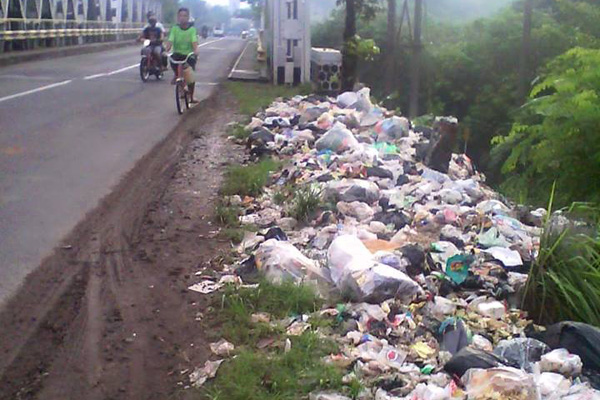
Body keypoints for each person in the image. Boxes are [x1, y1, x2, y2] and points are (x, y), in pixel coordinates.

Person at [165, 7, 199, 103]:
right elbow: (170, 41)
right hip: (177, 55)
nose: (182, 18)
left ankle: (191, 97)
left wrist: (196, 50)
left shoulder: (192, 30)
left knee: (190, 77)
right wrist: (166, 50)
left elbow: (194, 42)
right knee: (172, 60)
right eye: (180, 16)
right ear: (177, 17)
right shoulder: (175, 29)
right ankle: (178, 78)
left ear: (188, 17)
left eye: (185, 16)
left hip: (189, 55)